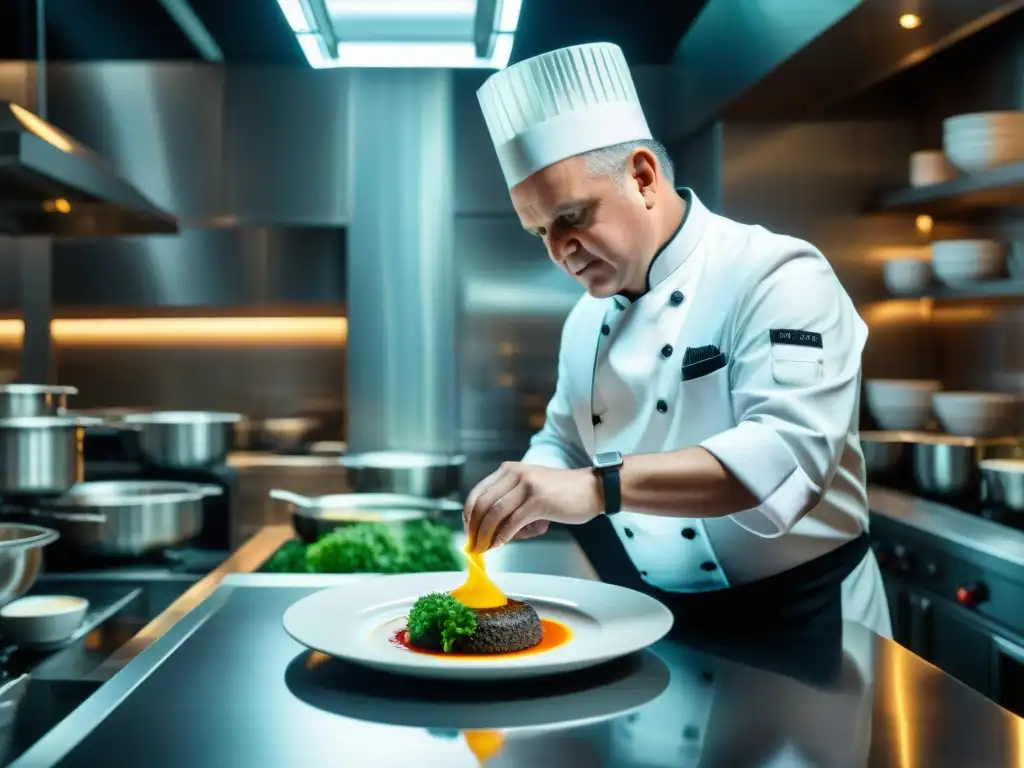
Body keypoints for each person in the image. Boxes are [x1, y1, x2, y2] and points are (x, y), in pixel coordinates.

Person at [462, 41, 891, 639]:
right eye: (539, 231)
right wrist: (527, 485)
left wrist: (596, 489)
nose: (559, 250)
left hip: (811, 620)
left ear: (642, 177)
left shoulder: (778, 274)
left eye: (573, 216)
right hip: (661, 619)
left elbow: (788, 457)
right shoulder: (584, 322)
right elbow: (563, 437)